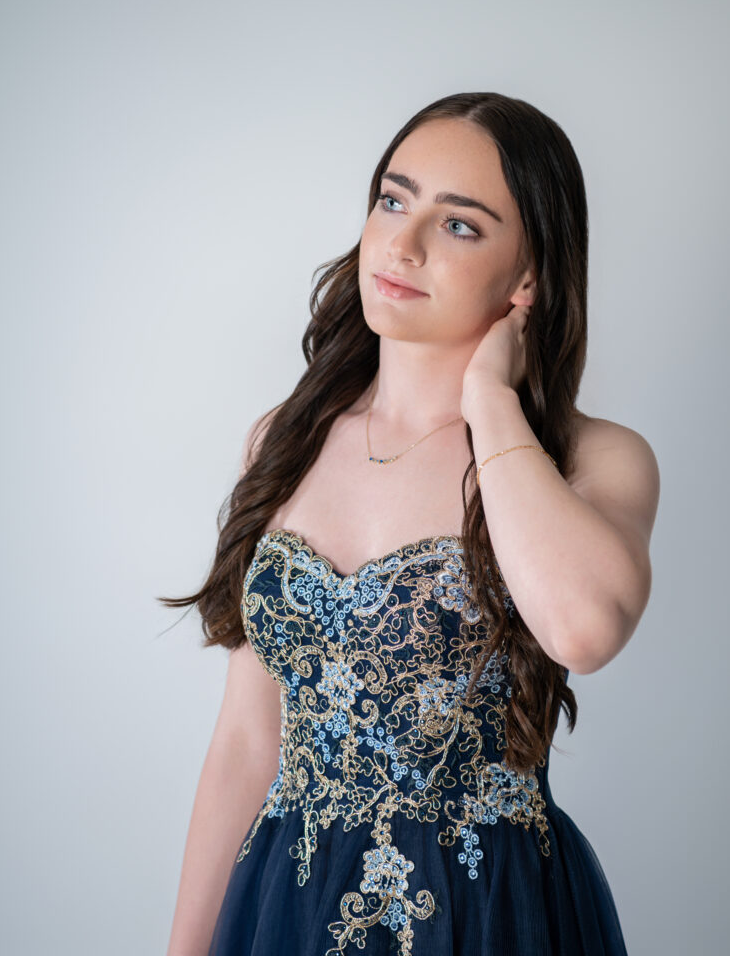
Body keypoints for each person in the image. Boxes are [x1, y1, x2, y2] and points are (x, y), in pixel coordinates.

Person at [161, 91, 660, 956]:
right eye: (393, 200)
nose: (403, 242)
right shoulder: (284, 439)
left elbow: (582, 631)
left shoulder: (591, 460)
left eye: (460, 225)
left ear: (528, 275)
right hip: (288, 901)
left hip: (490, 912)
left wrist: (491, 402)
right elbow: (247, 740)